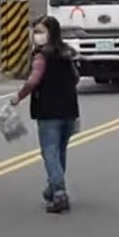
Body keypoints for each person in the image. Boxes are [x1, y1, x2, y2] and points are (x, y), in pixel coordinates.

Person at [10, 16, 80, 214]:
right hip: (69, 109)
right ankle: (52, 188)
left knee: (49, 151)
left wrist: (18, 97)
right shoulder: (67, 54)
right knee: (60, 151)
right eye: (35, 32)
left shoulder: (41, 56)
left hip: (49, 110)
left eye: (41, 32)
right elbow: (76, 78)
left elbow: (33, 81)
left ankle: (59, 192)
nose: (36, 36)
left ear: (52, 33)